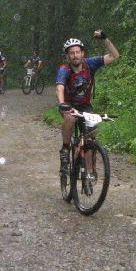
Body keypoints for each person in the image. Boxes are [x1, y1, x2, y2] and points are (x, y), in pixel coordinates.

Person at [55, 30, 120, 177]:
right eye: (72, 53)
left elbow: (115, 56)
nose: (75, 55)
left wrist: (105, 38)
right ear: (67, 56)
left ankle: (89, 173)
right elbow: (59, 87)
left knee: (89, 138)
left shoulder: (90, 64)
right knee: (70, 119)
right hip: (69, 105)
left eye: (78, 52)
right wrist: (61, 103)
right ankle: (65, 150)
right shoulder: (64, 69)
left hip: (85, 106)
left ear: (82, 53)